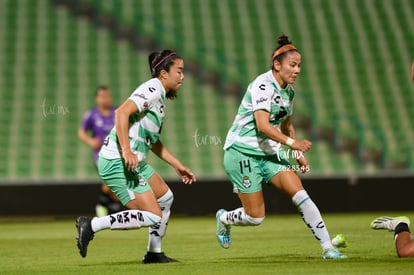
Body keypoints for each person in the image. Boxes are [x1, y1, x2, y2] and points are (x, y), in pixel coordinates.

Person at [215, 34, 347, 259]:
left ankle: (328, 248)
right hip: (241, 152)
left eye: (299, 66)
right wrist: (293, 144)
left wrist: (297, 154)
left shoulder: (289, 92)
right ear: (277, 65)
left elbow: (287, 126)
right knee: (255, 217)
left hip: (268, 155)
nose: (297, 70)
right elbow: (263, 125)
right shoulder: (262, 85)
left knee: (301, 194)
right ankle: (224, 218)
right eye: (292, 65)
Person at [76, 50, 196, 263]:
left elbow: (153, 142)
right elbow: (121, 112)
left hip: (134, 162)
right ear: (163, 74)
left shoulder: (159, 99)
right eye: (179, 71)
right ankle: (92, 225)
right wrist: (126, 151)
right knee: (153, 216)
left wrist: (178, 165)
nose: (182, 76)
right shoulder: (152, 88)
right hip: (118, 161)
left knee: (166, 198)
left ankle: (154, 253)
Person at [78, 86, 124, 216]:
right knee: (110, 181)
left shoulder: (117, 112)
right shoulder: (92, 115)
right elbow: (81, 132)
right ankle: (105, 206)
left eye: (107, 96)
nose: (105, 99)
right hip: (100, 155)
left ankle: (110, 208)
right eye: (102, 96)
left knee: (115, 183)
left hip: (117, 154)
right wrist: (90, 141)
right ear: (96, 98)